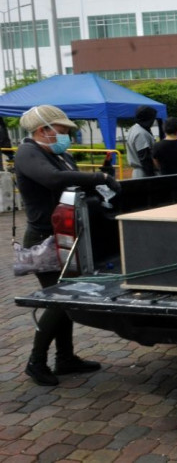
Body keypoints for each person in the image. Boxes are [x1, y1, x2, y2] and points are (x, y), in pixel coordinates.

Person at [14, 105, 122, 386]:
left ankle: (65, 358)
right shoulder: (28, 153)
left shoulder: (57, 154)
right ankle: (36, 362)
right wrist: (98, 178)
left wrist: (101, 183)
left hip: (67, 236)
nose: (65, 137)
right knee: (61, 299)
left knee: (67, 299)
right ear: (43, 130)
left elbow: (71, 185)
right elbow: (52, 180)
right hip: (44, 240)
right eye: (61, 131)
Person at [126, 105, 157, 178]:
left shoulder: (134, 128)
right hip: (143, 173)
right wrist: (152, 177)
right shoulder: (140, 133)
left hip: (140, 172)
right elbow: (144, 158)